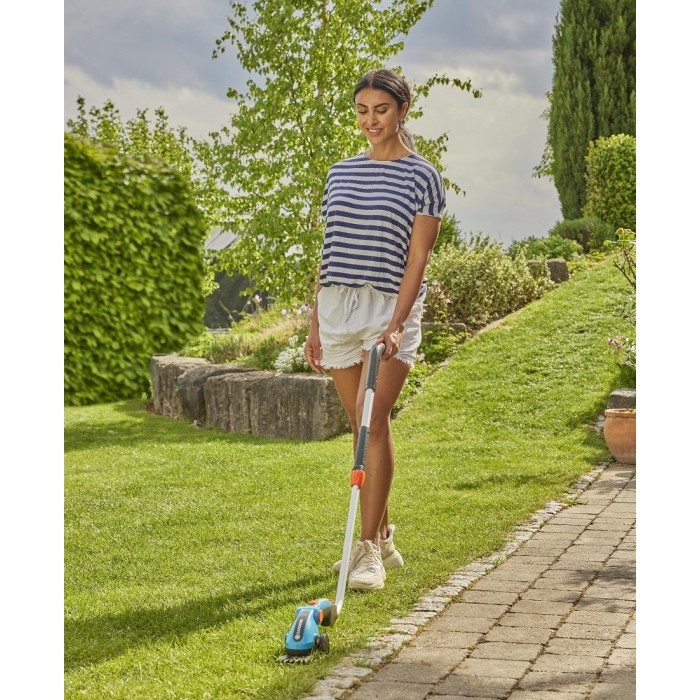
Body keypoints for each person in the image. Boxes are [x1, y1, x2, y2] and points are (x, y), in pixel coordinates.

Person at [304, 68, 446, 591]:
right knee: (359, 426)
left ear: (403, 110)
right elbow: (328, 252)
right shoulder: (340, 173)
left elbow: (418, 256)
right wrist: (315, 324)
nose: (371, 120)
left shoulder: (423, 176)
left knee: (375, 422)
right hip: (337, 309)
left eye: (381, 110)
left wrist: (398, 322)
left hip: (388, 308)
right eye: (362, 110)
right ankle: (383, 537)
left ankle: (366, 552)